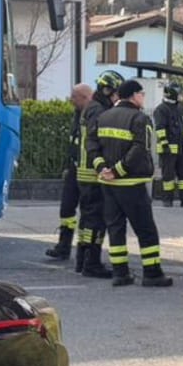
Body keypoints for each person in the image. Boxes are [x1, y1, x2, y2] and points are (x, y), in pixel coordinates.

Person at [92, 80, 172, 287]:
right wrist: (117, 171)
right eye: (142, 94)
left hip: (108, 185)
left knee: (115, 229)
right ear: (134, 95)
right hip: (132, 183)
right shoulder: (140, 118)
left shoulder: (103, 116)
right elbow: (139, 150)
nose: (143, 97)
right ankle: (152, 274)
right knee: (146, 230)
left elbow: (91, 146)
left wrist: (103, 169)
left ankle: (120, 273)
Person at [74, 72, 121, 278]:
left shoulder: (92, 108)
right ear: (107, 90)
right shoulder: (98, 111)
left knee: (87, 220)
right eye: (115, 93)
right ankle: (91, 263)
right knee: (96, 220)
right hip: (93, 173)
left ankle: (82, 260)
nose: (116, 98)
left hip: (86, 172)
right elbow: (97, 142)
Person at [46, 82, 93, 260]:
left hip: (87, 172)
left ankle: (86, 252)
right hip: (74, 168)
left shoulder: (94, 114)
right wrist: (67, 166)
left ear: (85, 97)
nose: (71, 100)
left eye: (74, 96)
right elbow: (73, 144)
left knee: (87, 213)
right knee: (66, 208)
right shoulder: (77, 114)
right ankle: (63, 246)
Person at [152, 83, 183, 208]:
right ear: (173, 94)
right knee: (168, 176)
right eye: (180, 93)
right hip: (168, 149)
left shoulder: (179, 108)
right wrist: (164, 144)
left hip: (181, 148)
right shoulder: (161, 109)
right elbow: (160, 128)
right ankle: (167, 200)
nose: (182, 95)